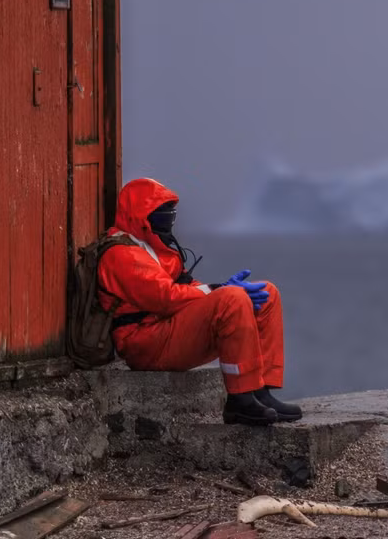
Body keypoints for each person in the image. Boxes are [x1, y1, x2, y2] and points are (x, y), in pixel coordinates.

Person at [96, 177, 302, 426]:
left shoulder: (154, 247)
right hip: (145, 342)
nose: (169, 217)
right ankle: (239, 400)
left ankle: (260, 392)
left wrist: (217, 289)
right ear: (141, 214)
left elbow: (183, 288)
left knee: (266, 294)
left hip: (168, 329)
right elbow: (165, 297)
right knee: (231, 299)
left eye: (170, 211)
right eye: (161, 211)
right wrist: (218, 290)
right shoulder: (121, 254)